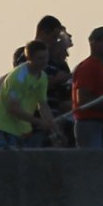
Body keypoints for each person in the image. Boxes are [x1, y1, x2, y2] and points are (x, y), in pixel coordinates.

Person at [0, 38, 60, 149]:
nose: (44, 61)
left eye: (46, 57)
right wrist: (39, 122)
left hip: (23, 129)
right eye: (40, 58)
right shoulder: (18, 77)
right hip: (5, 127)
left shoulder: (42, 77)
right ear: (29, 58)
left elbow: (43, 105)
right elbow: (13, 109)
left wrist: (55, 129)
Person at [33, 15, 76, 148]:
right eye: (53, 37)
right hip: (34, 124)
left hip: (53, 122)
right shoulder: (26, 54)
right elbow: (32, 85)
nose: (54, 41)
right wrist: (57, 79)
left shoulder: (53, 61)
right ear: (43, 32)